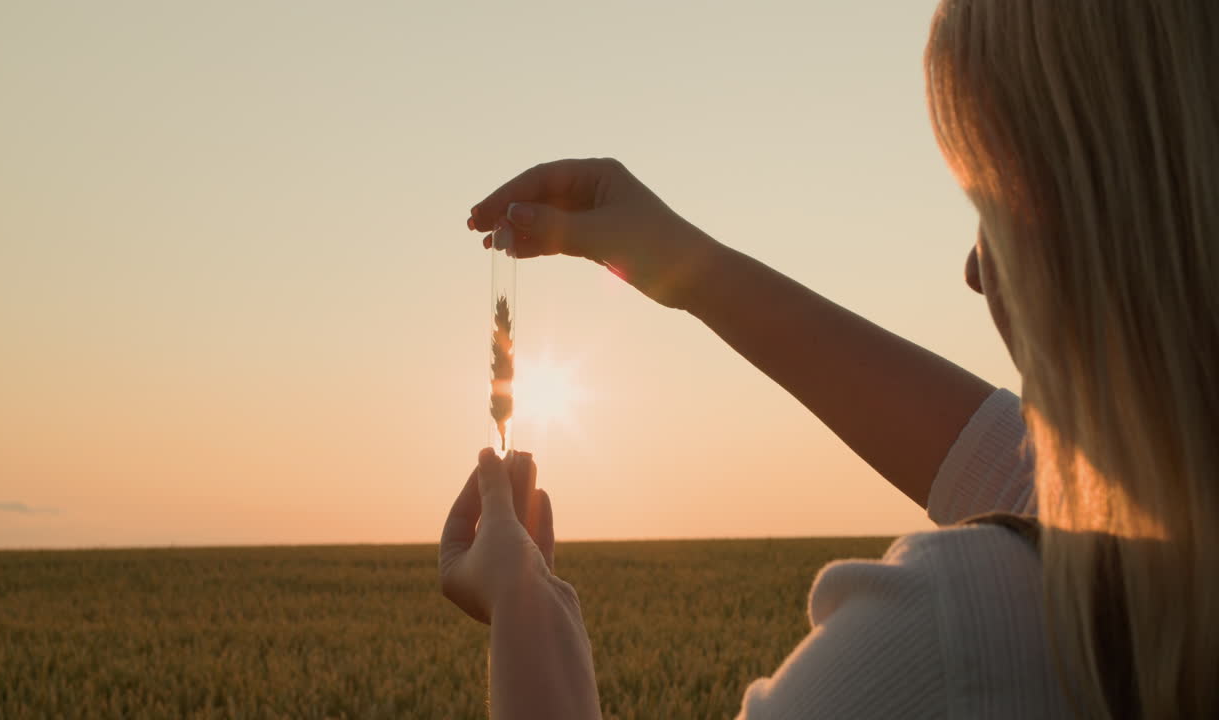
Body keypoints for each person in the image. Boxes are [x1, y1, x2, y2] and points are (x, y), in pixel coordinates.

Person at [439, 1, 1218, 717]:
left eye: (997, 207)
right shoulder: (1174, 565)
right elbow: (1009, 467)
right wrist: (688, 266)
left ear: (1115, 226)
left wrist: (528, 615)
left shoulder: (952, 644)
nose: (977, 270)